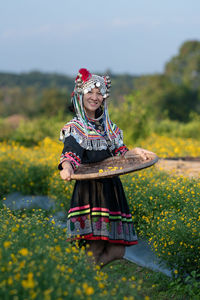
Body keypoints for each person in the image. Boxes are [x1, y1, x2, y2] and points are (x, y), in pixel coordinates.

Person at [59, 68, 142, 267]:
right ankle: (85, 286)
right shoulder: (76, 127)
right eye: (90, 92)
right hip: (91, 191)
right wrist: (66, 167)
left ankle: (84, 279)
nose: (95, 97)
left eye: (99, 94)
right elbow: (70, 151)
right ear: (80, 95)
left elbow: (121, 152)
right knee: (94, 247)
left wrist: (137, 152)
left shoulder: (108, 127)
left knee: (117, 250)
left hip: (112, 191)